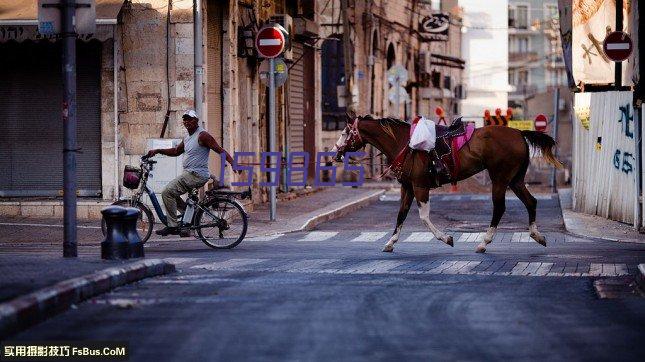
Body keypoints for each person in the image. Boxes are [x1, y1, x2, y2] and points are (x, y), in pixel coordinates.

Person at [146, 110, 235, 236]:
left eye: (190, 119)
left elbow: (219, 150)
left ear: (196, 121)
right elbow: (176, 151)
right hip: (190, 174)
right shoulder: (188, 137)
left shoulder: (202, 135)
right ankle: (190, 216)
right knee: (172, 194)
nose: (187, 122)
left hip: (196, 174)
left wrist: (233, 163)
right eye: (185, 120)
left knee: (167, 192)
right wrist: (158, 150)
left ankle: (172, 226)